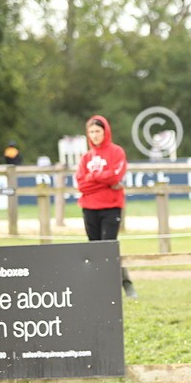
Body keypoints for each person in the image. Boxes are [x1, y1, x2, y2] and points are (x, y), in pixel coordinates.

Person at [75, 115, 135, 298]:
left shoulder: (117, 152)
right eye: (91, 132)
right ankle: (100, 288)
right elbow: (81, 184)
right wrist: (103, 180)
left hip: (111, 207)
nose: (94, 135)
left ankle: (125, 285)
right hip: (89, 208)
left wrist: (93, 178)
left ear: (105, 131)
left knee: (108, 247)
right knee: (94, 249)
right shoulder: (86, 157)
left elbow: (116, 176)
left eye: (98, 131)